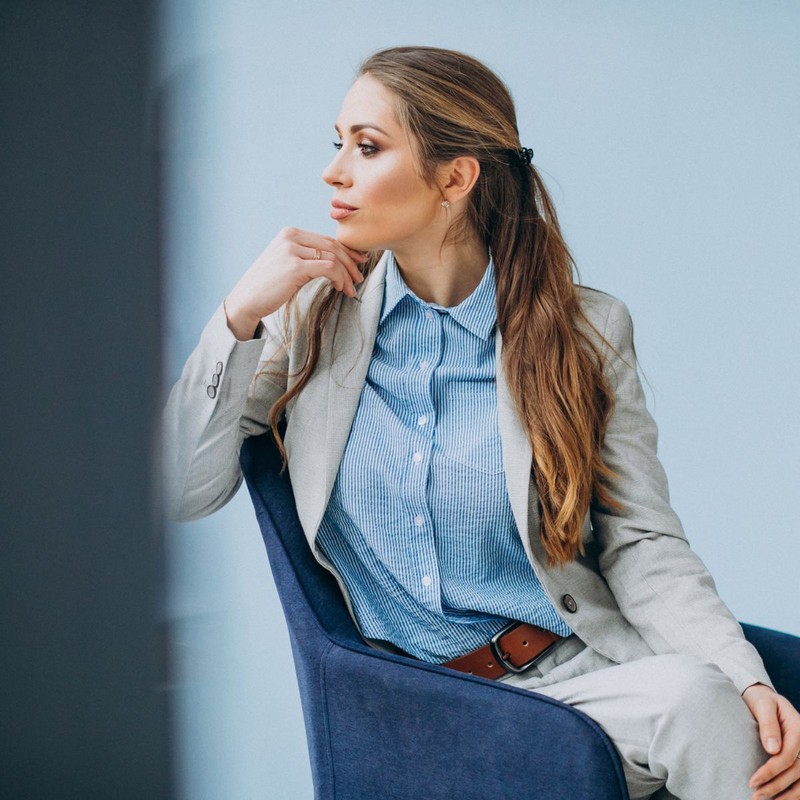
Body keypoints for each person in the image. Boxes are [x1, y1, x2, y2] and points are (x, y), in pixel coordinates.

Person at [164, 46, 800, 800]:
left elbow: (641, 542)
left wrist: (742, 679)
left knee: (716, 705)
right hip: (427, 712)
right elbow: (178, 489)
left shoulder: (584, 332)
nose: (334, 172)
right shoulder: (310, 319)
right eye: (336, 143)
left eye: (367, 147)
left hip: (583, 680)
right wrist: (237, 316)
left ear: (455, 178)